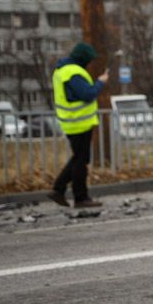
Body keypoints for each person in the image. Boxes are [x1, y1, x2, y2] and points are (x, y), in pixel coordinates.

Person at [46, 42, 109, 209]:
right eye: (89, 60)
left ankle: (59, 189)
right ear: (83, 59)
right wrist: (100, 82)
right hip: (79, 122)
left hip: (71, 121)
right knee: (81, 160)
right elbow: (87, 94)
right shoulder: (73, 72)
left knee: (78, 157)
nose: (90, 63)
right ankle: (80, 198)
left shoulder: (63, 70)